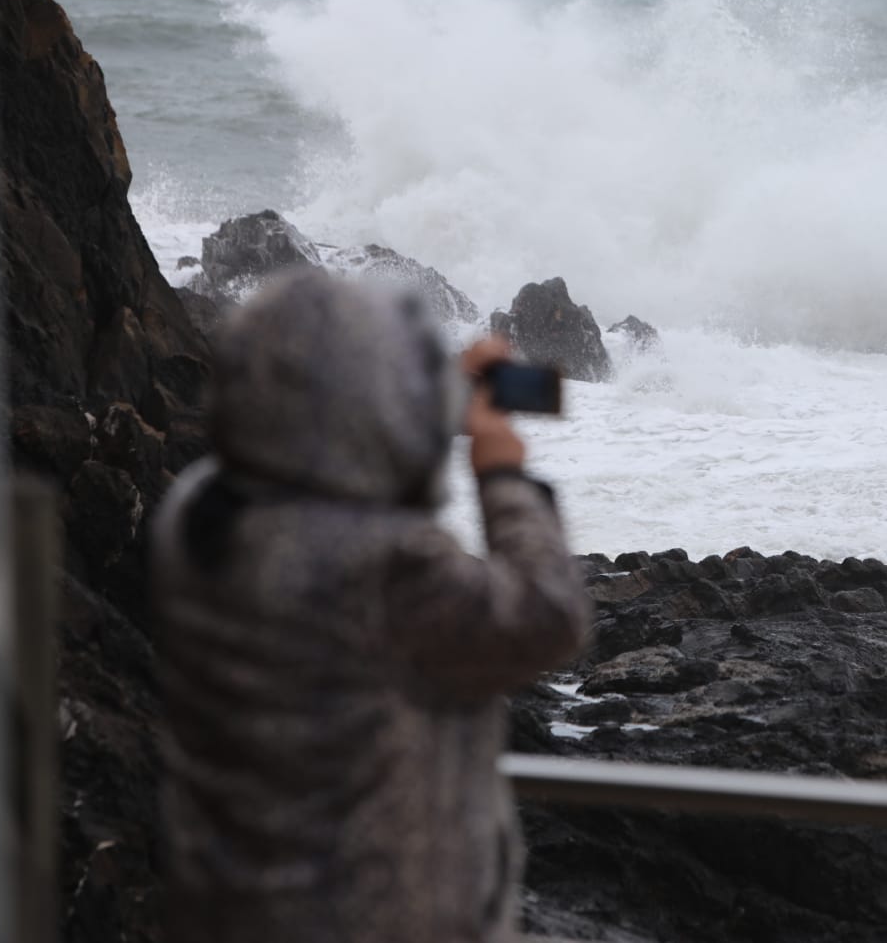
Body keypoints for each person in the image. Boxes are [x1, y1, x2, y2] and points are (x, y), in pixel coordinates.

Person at [151, 269, 590, 943]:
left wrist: (442, 386)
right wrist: (504, 478)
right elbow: (548, 615)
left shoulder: (198, 514)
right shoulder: (385, 564)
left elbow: (329, 430)